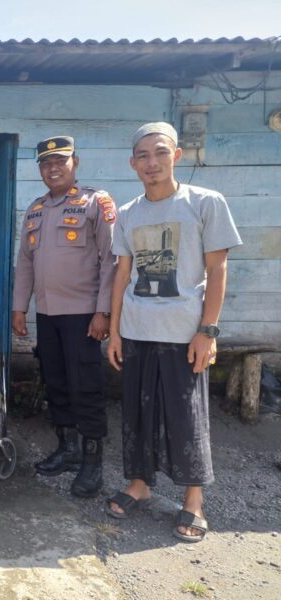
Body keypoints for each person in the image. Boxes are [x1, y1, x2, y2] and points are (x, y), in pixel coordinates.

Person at [106, 122, 241, 543]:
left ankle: (193, 499)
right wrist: (114, 332)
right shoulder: (128, 214)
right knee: (138, 412)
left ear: (176, 155)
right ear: (132, 164)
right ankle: (140, 484)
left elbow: (218, 269)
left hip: (185, 332)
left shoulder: (204, 203)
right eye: (143, 156)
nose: (152, 163)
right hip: (136, 330)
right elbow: (122, 274)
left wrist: (208, 330)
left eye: (160, 153)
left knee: (186, 416)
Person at [12, 136, 117, 498]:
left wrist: (104, 311)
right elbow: (25, 262)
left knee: (85, 386)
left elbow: (111, 260)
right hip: (48, 314)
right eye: (45, 163)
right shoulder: (35, 209)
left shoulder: (95, 203)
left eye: (60, 160)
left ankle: (92, 463)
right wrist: (18, 307)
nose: (52, 168)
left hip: (84, 316)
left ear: (76, 162)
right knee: (55, 382)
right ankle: (68, 449)